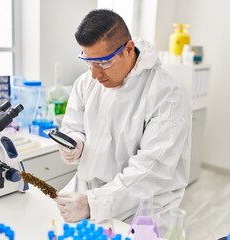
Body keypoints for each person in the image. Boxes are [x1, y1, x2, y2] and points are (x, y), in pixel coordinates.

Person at [54, 9, 192, 234]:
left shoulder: (167, 94)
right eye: (89, 62)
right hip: (86, 196)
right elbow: (73, 126)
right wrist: (75, 143)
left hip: (141, 211)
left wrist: (94, 203)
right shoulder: (85, 83)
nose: (95, 75)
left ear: (129, 49)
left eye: (104, 62)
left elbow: (151, 170)